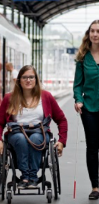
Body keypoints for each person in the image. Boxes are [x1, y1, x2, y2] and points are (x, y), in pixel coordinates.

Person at [0, 65, 67, 189]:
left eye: (31, 77)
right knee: (21, 139)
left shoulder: (46, 97)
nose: (28, 80)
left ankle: (32, 177)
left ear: (36, 80)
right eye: (25, 77)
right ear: (19, 80)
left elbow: (61, 120)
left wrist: (61, 141)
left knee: (36, 139)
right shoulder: (9, 98)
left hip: (40, 133)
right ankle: (25, 176)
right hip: (16, 133)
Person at [73, 20, 99, 200]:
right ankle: (95, 187)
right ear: (88, 33)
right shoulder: (83, 57)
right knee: (92, 147)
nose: (95, 34)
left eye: (98, 31)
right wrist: (79, 100)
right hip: (89, 108)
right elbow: (77, 85)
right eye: (92, 31)